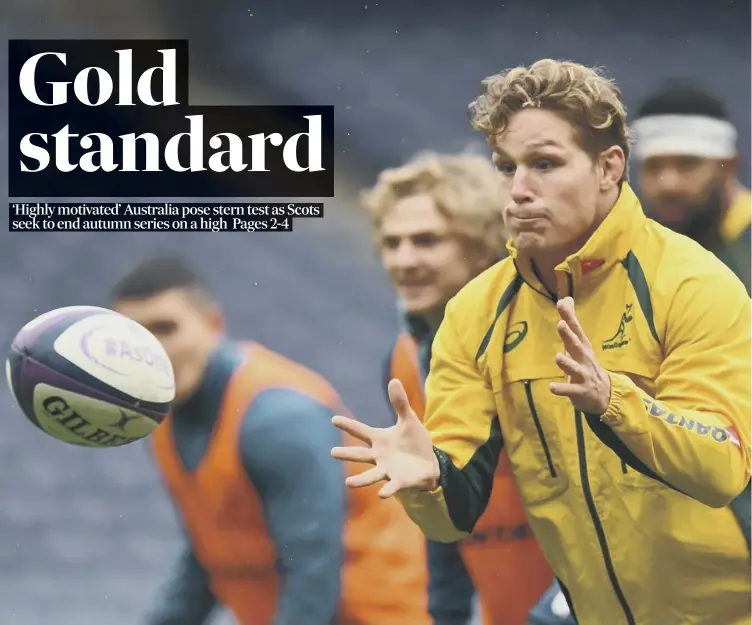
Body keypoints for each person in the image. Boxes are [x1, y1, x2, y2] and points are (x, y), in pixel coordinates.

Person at [331, 59, 751, 625]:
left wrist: (615, 403)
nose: (520, 190)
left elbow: (723, 465)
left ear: (609, 168)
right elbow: (452, 519)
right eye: (507, 167)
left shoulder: (693, 283)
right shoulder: (474, 314)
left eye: (545, 164)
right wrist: (427, 483)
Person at [110, 255, 430, 625]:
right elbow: (209, 553)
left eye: (165, 328)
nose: (153, 350)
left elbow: (313, 575)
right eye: (135, 337)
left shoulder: (275, 418)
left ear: (213, 323)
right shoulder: (161, 419)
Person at [360, 151, 562, 625]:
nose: (403, 260)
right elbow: (437, 507)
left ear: (481, 245)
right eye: (392, 243)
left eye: (426, 240)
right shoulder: (403, 361)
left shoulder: (544, 341)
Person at [632, 80, 751, 293]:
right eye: (653, 166)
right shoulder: (632, 254)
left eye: (687, 164)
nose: (668, 184)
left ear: (729, 166)